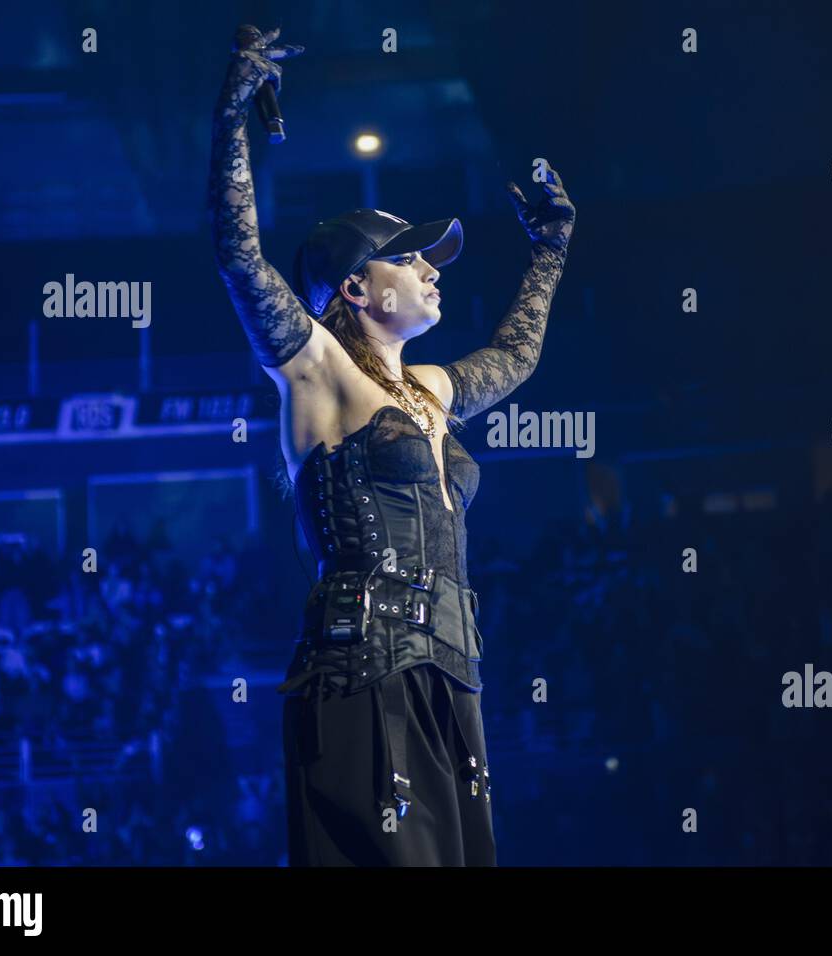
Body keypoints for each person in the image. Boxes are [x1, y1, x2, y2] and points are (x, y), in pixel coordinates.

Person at [207, 24, 575, 865]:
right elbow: (237, 254)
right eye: (411, 260)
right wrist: (232, 114)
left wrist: (549, 254)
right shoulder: (319, 371)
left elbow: (517, 357)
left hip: (452, 673)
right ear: (356, 286)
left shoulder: (434, 389)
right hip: (362, 672)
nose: (433, 272)